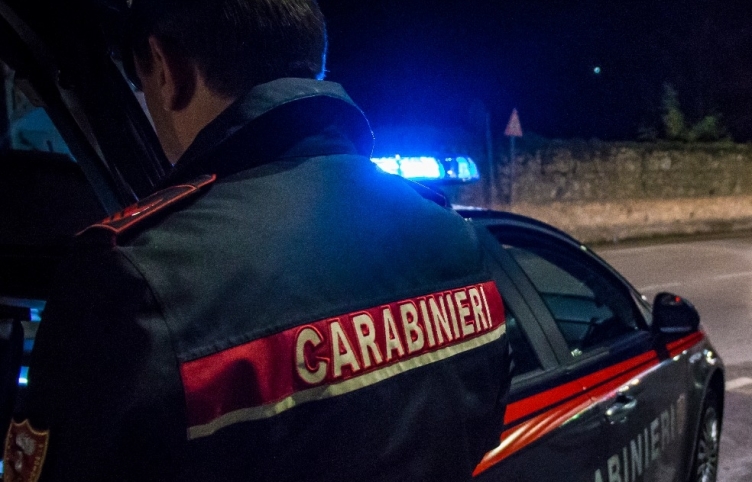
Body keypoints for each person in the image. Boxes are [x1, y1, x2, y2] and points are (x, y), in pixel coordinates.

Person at [4, 0, 511, 480]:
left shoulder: (131, 284)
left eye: (140, 83)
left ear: (165, 67)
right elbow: (480, 427)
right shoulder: (453, 238)